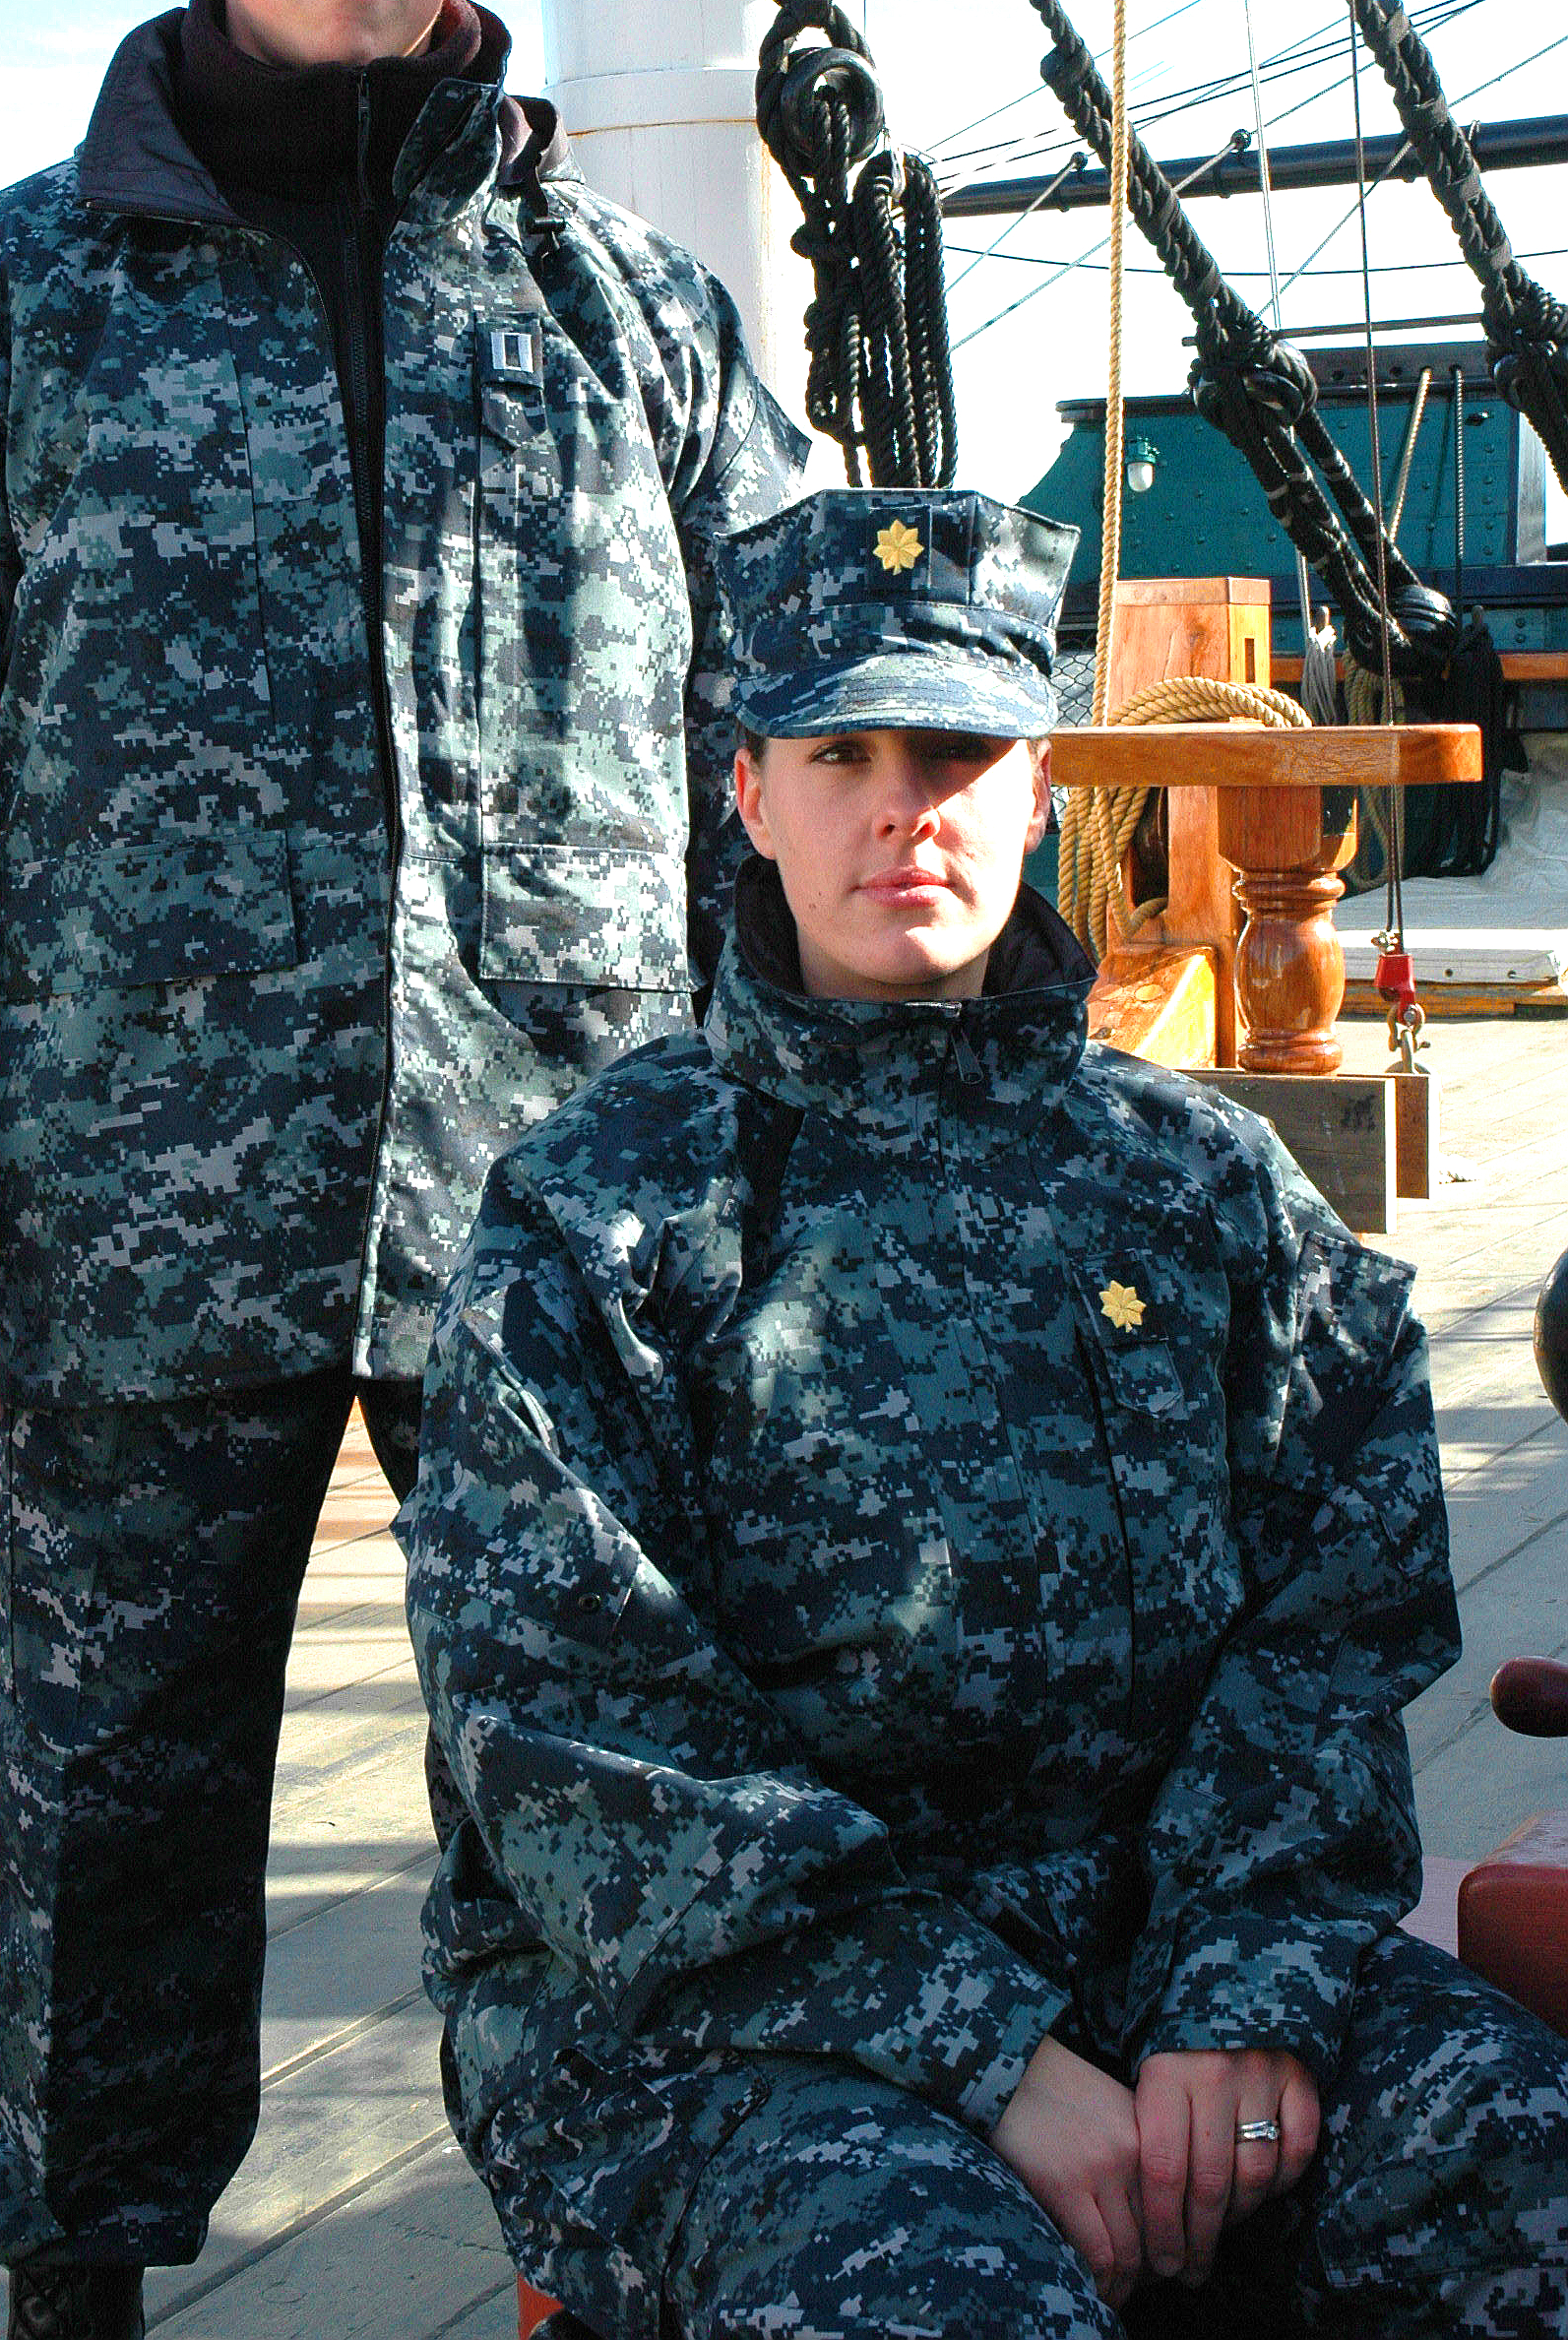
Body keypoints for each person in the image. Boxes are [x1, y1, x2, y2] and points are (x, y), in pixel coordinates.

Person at [0, 0, 804, 2340]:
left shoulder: (626, 318)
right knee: (107, 1809)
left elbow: (790, 743)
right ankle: (76, 2281)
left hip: (566, 1216)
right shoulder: (4, 309)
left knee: (592, 1784)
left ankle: (617, 2262)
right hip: (123, 1217)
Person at [403, 485, 1568, 2340]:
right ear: (749, 794)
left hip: (1175, 1957)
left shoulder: (1199, 1187)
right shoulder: (602, 1221)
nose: (900, 806)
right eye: (841, 750)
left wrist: (1237, 1991)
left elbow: (1333, 1622)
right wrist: (979, 2052)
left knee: (1517, 2179)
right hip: (744, 2034)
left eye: (954, 748)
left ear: (1040, 785)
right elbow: (575, 1731)